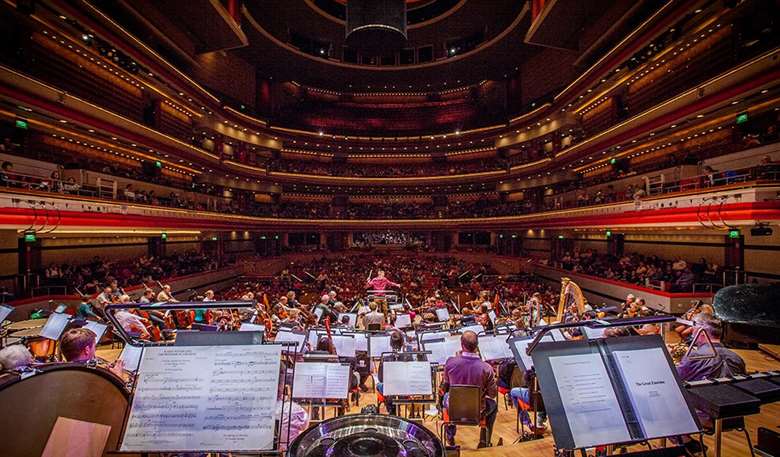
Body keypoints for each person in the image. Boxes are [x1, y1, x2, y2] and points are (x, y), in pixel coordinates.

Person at [441, 331, 498, 448]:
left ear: (462, 345)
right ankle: (484, 441)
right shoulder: (487, 368)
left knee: (446, 396)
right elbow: (492, 395)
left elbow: (445, 386)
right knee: (494, 405)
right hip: (477, 412)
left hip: (454, 410)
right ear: (477, 346)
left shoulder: (450, 362)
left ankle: (450, 436)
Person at [677, 314, 745, 382]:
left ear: (701, 332)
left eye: (693, 329)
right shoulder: (737, 358)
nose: (692, 333)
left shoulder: (693, 357)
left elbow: (675, 379)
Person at [60, 328, 125, 379]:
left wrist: (108, 374)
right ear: (87, 350)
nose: (95, 349)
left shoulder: (61, 372)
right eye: (94, 346)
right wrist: (118, 377)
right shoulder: (92, 378)